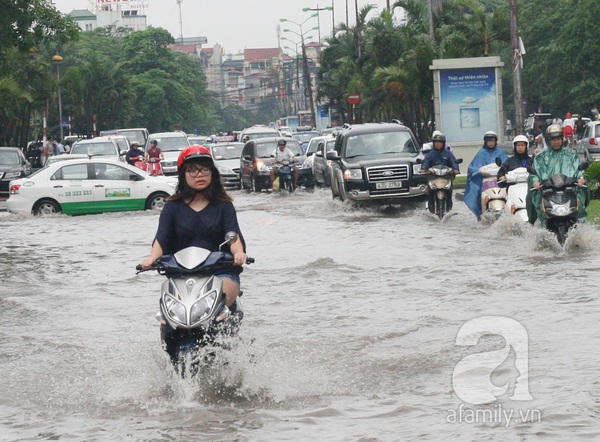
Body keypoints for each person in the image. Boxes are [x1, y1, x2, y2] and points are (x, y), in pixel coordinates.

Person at [140, 145, 247, 308]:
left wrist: (239, 253)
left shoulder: (224, 205)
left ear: (212, 173)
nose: (199, 175)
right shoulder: (172, 206)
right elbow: (161, 238)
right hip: (182, 274)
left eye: (204, 169)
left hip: (221, 272)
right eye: (192, 170)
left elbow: (233, 236)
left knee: (218, 301)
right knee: (166, 314)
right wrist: (151, 259)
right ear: (183, 174)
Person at [528, 124, 590, 226]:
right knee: (539, 206)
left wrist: (581, 178)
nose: (556, 142)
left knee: (579, 207)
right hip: (547, 191)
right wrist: (535, 182)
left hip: (569, 190)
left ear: (562, 139)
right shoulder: (541, 157)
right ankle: (541, 226)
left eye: (558, 139)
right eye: (553, 139)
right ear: (548, 140)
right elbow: (535, 172)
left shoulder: (571, 154)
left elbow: (579, 169)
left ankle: (580, 226)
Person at [464, 131, 508, 221]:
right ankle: (481, 213)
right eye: (489, 141)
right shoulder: (481, 153)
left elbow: (507, 164)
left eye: (492, 141)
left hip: (499, 180)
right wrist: (478, 171)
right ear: (485, 142)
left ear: (495, 141)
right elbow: (473, 167)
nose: (491, 143)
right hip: (485, 181)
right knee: (477, 194)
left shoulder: (500, 152)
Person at [420, 131, 460, 212]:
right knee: (430, 193)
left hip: (446, 177)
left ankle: (449, 207)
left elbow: (453, 161)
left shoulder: (448, 154)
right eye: (436, 142)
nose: (438, 144)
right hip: (433, 178)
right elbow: (426, 162)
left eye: (439, 142)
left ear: (443, 143)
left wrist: (455, 169)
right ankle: (431, 209)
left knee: (449, 192)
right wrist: (423, 168)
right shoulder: (430, 154)